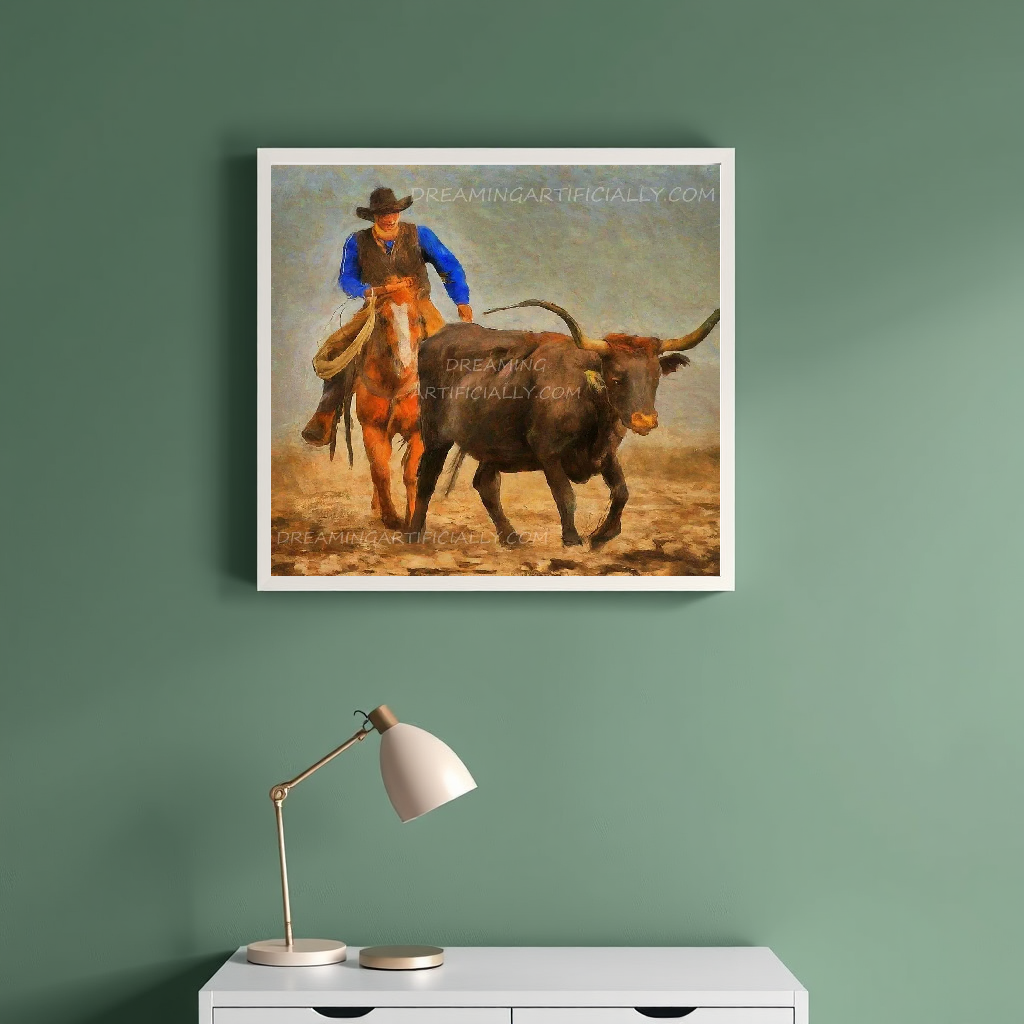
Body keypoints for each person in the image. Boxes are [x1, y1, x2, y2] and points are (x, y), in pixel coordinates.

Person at [301, 187, 473, 446]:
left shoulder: (420, 235)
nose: (389, 217)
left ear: (398, 212)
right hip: (377, 307)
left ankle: (461, 417)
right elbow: (347, 278)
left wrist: (461, 300)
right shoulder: (356, 241)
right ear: (374, 217)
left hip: (419, 305)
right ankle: (324, 418)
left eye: (393, 212)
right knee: (337, 351)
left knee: (451, 352)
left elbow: (449, 266)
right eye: (383, 213)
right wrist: (368, 291)